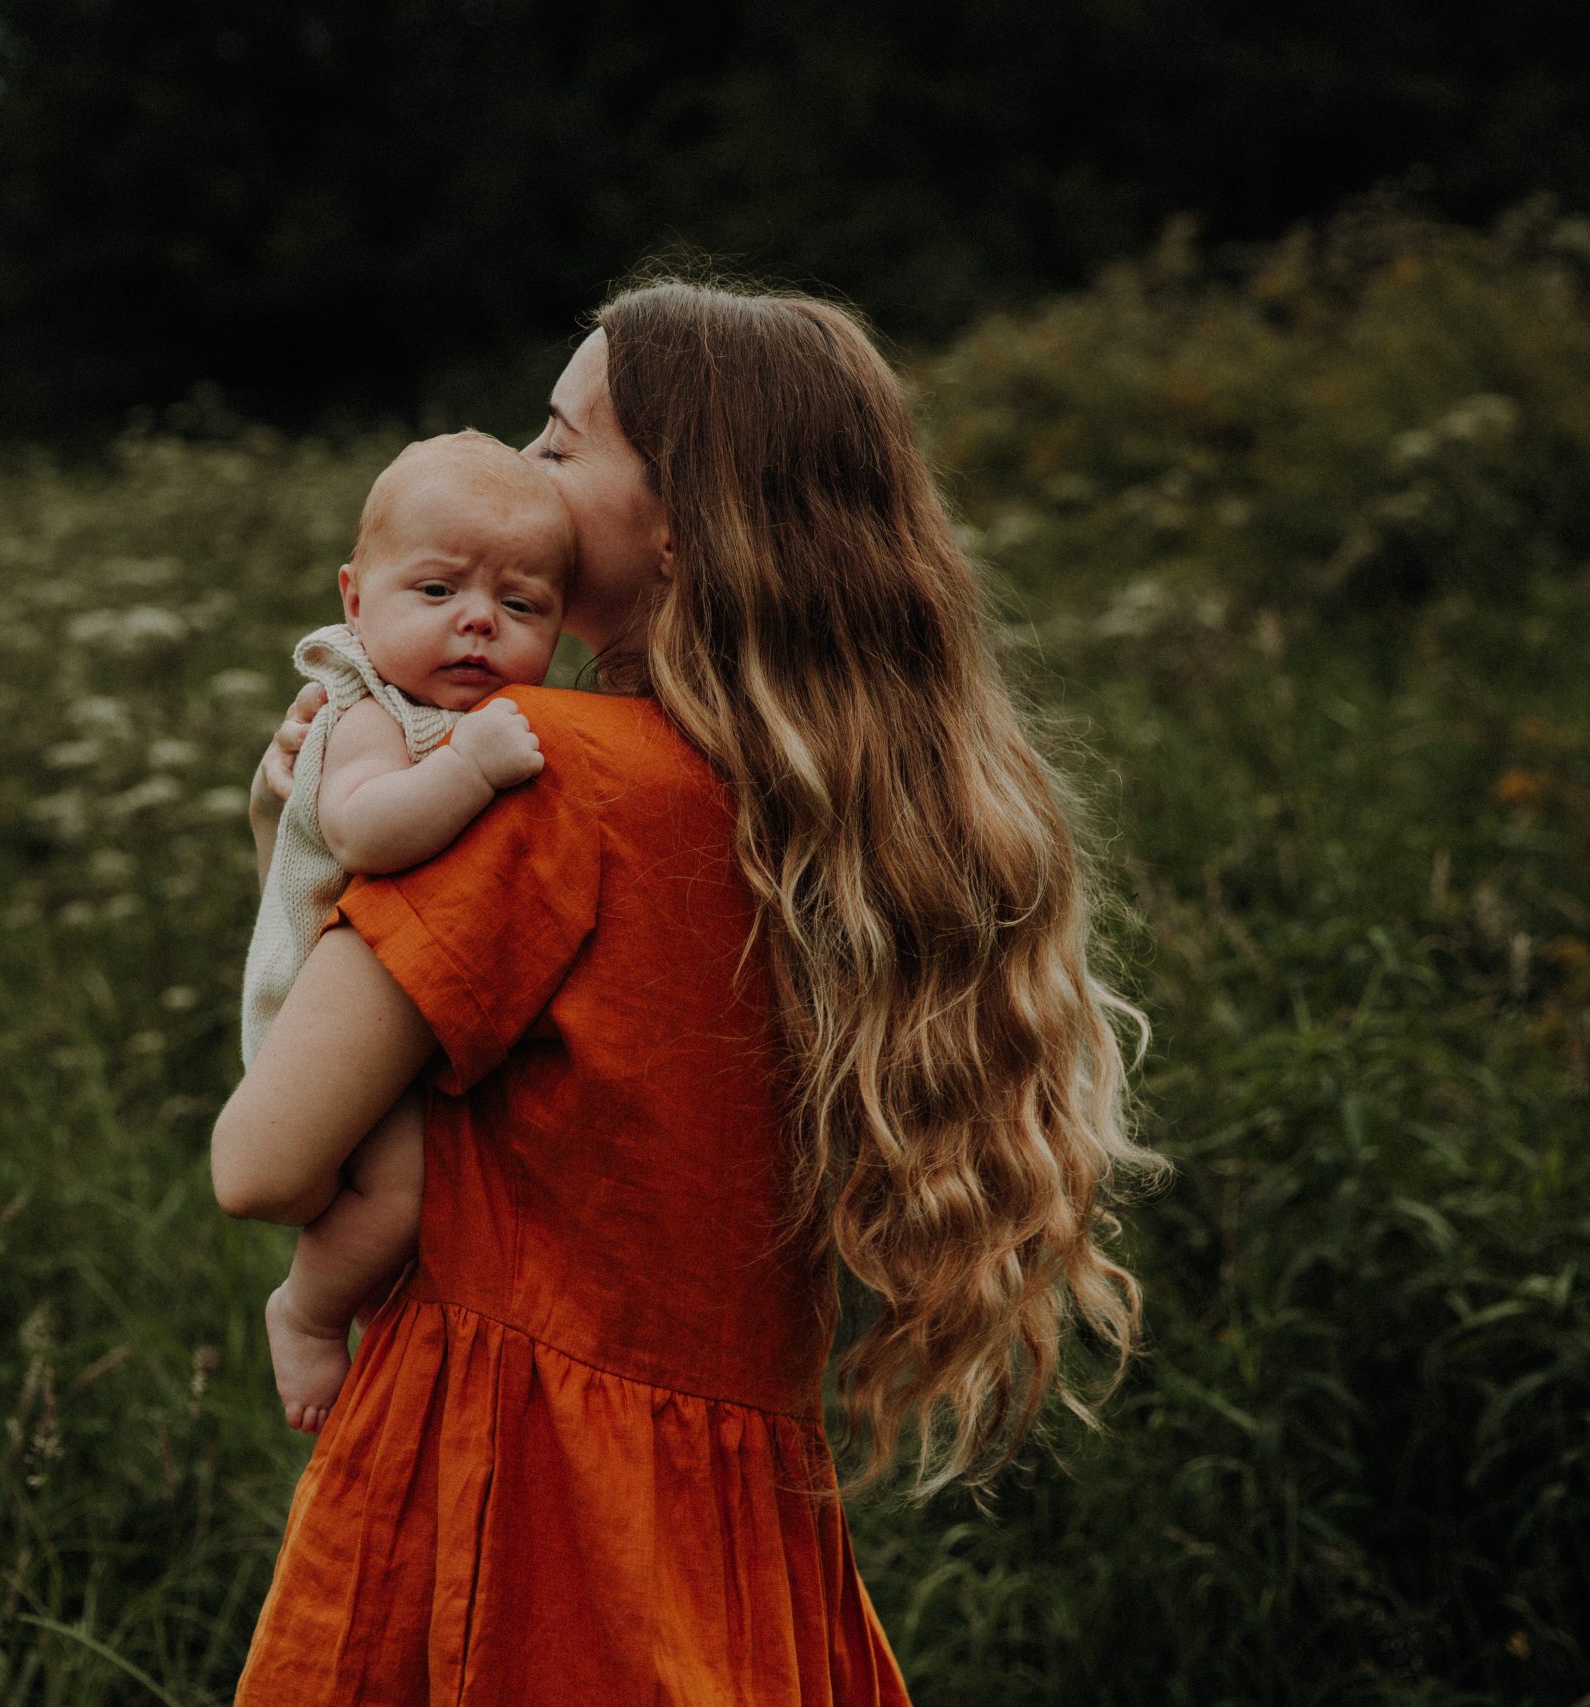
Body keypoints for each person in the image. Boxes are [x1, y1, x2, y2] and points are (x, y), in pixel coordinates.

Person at [213, 277, 1166, 1703]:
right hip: (740, 1541)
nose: (519, 471)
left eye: (556, 439)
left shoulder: (539, 772)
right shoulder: (837, 823)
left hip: (507, 1505)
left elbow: (263, 1158)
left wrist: (292, 850)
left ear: (672, 521)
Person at [239, 430, 573, 1435]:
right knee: (401, 1198)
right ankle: (304, 1311)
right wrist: (470, 768)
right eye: (435, 593)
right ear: (355, 599)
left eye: (521, 607)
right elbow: (362, 830)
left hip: (395, 1004)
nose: (477, 622)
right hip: (323, 1010)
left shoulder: (475, 705)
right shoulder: (367, 707)